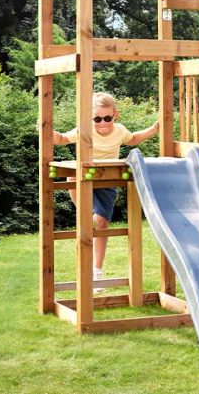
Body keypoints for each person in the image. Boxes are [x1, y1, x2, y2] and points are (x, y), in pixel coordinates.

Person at [52, 92, 160, 288]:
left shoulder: (119, 130)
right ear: (90, 118)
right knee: (72, 176)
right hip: (86, 175)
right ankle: (83, 213)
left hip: (106, 180)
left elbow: (133, 139)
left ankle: (97, 271)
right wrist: (45, 130)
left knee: (102, 224)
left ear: (115, 115)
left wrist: (152, 130)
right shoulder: (85, 130)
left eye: (107, 118)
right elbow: (60, 139)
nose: (103, 123)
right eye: (97, 119)